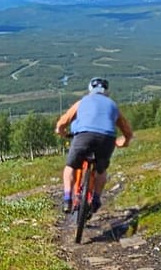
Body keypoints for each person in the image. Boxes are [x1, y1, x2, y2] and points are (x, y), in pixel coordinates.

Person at [54, 77, 133, 213]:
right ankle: (96, 199)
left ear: (90, 89)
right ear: (105, 91)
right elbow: (127, 130)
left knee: (70, 167)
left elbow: (62, 123)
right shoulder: (113, 105)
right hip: (106, 139)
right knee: (101, 170)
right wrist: (124, 142)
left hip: (84, 136)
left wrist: (61, 132)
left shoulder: (82, 102)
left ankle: (67, 199)